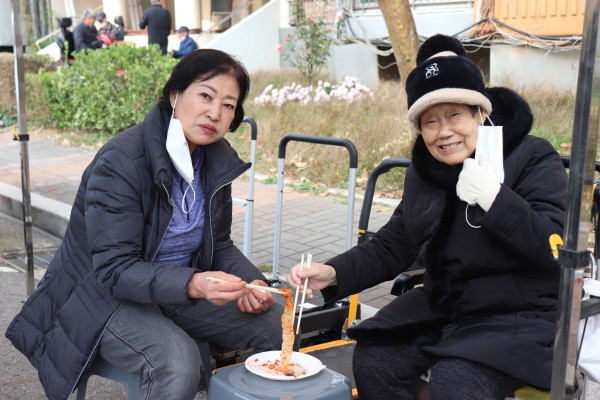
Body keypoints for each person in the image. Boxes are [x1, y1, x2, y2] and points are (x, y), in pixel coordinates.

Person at [287, 34, 567, 399]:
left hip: (518, 314)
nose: (444, 131)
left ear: (480, 112)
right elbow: (394, 243)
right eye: (430, 121)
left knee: (458, 380)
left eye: (454, 115)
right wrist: (333, 272)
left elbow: (553, 249)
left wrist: (495, 198)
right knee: (374, 361)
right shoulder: (424, 171)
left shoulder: (531, 156)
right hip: (446, 306)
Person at [6, 49, 283, 400]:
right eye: (206, 95)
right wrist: (195, 284)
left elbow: (220, 245)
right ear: (175, 95)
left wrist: (251, 282)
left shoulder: (215, 161)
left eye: (228, 105)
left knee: (276, 322)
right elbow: (114, 271)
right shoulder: (122, 161)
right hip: (103, 296)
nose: (215, 113)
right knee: (175, 359)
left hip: (175, 288)